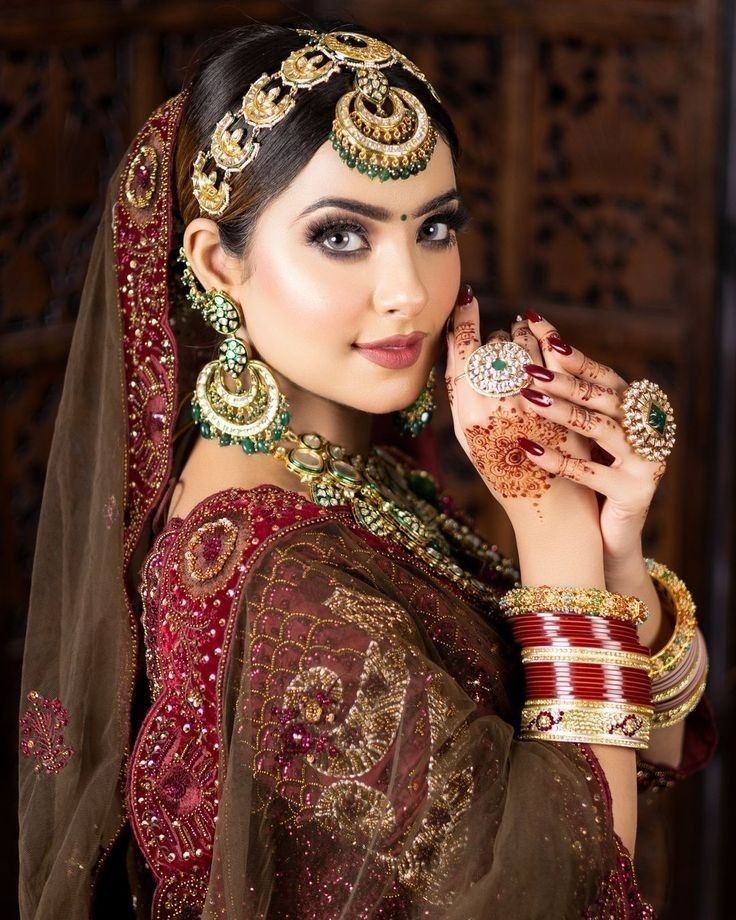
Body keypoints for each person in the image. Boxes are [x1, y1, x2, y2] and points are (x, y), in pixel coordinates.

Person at [18, 19, 716, 919]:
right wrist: (556, 537)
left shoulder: (342, 469)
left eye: (434, 227)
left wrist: (612, 554)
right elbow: (570, 890)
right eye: (342, 236)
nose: (410, 291)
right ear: (215, 262)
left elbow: (648, 754)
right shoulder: (276, 583)